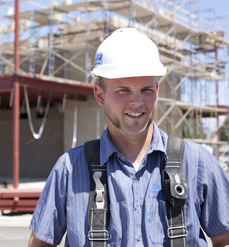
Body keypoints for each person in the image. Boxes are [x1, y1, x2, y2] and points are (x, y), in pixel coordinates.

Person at [28, 28, 229, 247]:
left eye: (146, 89)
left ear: (157, 90)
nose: (137, 102)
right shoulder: (69, 169)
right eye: (123, 90)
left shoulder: (197, 163)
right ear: (100, 95)